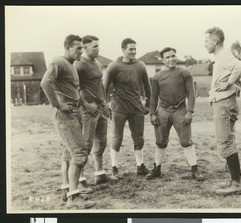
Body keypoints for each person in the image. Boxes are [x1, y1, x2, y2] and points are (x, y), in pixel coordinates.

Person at [41, 34, 97, 209]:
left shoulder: (70, 65)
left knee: (68, 153)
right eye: (78, 48)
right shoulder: (58, 62)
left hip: (74, 114)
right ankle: (74, 197)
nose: (81, 51)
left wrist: (86, 106)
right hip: (65, 116)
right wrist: (58, 105)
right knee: (80, 154)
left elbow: (72, 92)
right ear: (67, 47)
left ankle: (66, 190)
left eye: (82, 47)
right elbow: (45, 83)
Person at [145, 47, 205, 181]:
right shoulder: (157, 77)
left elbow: (191, 93)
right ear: (162, 60)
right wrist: (152, 114)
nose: (171, 59)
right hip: (163, 110)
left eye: (173, 56)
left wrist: (190, 111)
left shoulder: (185, 73)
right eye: (167, 57)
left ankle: (194, 169)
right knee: (160, 141)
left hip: (180, 109)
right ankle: (157, 168)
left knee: (186, 141)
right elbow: (153, 97)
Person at [204, 27, 241, 195]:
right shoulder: (220, 57)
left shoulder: (225, 55)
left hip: (224, 103)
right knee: (228, 141)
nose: (204, 44)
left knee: (225, 142)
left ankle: (236, 184)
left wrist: (228, 83)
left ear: (215, 41)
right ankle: (238, 179)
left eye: (206, 41)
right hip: (223, 102)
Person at [104, 38, 151, 180]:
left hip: (136, 107)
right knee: (117, 138)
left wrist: (147, 104)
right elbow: (104, 87)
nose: (133, 52)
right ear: (123, 49)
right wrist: (106, 104)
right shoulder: (114, 66)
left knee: (139, 138)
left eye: (135, 49)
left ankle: (140, 165)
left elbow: (148, 87)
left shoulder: (141, 66)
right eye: (130, 49)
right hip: (119, 108)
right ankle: (114, 168)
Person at [74, 35, 112, 192]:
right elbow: (73, 89)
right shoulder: (78, 64)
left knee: (101, 141)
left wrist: (106, 102)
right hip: (87, 110)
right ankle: (80, 180)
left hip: (101, 107)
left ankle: (99, 173)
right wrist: (85, 105)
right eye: (95, 46)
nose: (98, 49)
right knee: (86, 144)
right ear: (85, 48)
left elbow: (100, 85)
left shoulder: (97, 63)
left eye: (98, 46)